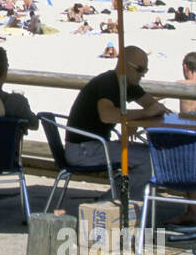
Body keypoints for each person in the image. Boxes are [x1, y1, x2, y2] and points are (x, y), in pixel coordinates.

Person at [64, 46, 169, 193]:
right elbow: (107, 115)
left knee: (150, 153)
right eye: (139, 69)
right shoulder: (108, 83)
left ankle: (120, 197)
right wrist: (142, 115)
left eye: (145, 71)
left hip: (94, 145)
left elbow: (153, 106)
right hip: (84, 150)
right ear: (124, 65)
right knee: (149, 158)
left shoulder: (129, 84)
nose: (142, 75)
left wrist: (134, 119)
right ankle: (117, 201)